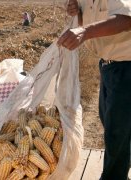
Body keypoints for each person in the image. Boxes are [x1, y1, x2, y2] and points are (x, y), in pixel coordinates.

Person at [57, 0, 131, 179]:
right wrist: (78, 14)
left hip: (126, 67)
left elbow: (127, 19)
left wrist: (84, 31)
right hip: (108, 66)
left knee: (116, 132)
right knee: (111, 124)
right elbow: (88, 22)